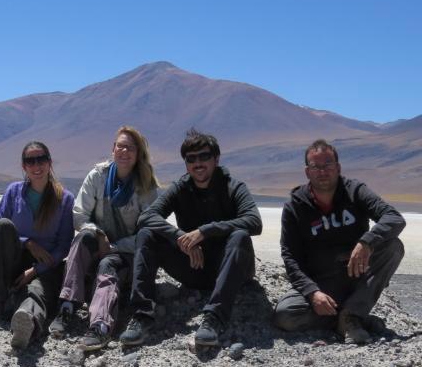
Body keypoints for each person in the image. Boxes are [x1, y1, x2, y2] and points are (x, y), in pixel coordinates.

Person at [119, 129, 262, 348]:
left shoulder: (233, 186)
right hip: (195, 267)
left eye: (204, 156)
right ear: (186, 164)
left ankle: (214, 318)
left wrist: (206, 231)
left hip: (231, 269)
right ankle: (142, 315)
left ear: (216, 159)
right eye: (191, 159)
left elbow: (254, 222)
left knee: (240, 236)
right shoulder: (181, 188)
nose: (198, 163)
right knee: (147, 234)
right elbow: (147, 217)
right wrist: (180, 237)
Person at [274, 139, 405, 344]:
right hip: (322, 282)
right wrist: (312, 293)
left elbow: (394, 218)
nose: (322, 171)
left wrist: (367, 242)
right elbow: (290, 257)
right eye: (316, 167)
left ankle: (350, 317)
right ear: (307, 172)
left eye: (328, 165)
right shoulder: (295, 206)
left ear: (338, 168)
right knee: (286, 315)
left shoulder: (355, 191)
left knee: (393, 246)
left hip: (358, 275)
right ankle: (353, 317)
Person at [49, 126, 159, 350]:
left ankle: (100, 326)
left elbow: (148, 233)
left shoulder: (146, 187)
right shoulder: (97, 176)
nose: (124, 151)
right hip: (100, 243)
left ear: (138, 154)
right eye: (120, 146)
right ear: (113, 149)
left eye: (130, 148)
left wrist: (115, 247)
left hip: (127, 253)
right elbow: (79, 215)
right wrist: (99, 235)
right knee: (81, 241)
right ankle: (67, 306)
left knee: (108, 264)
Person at [0, 141, 74, 350]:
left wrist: (35, 270)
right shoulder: (13, 192)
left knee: (37, 290)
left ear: (49, 162)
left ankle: (27, 320)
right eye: (30, 161)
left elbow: (64, 245)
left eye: (41, 159)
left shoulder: (64, 199)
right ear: (24, 166)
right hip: (13, 259)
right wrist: (27, 243)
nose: (36, 166)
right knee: (3, 226)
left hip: (44, 264)